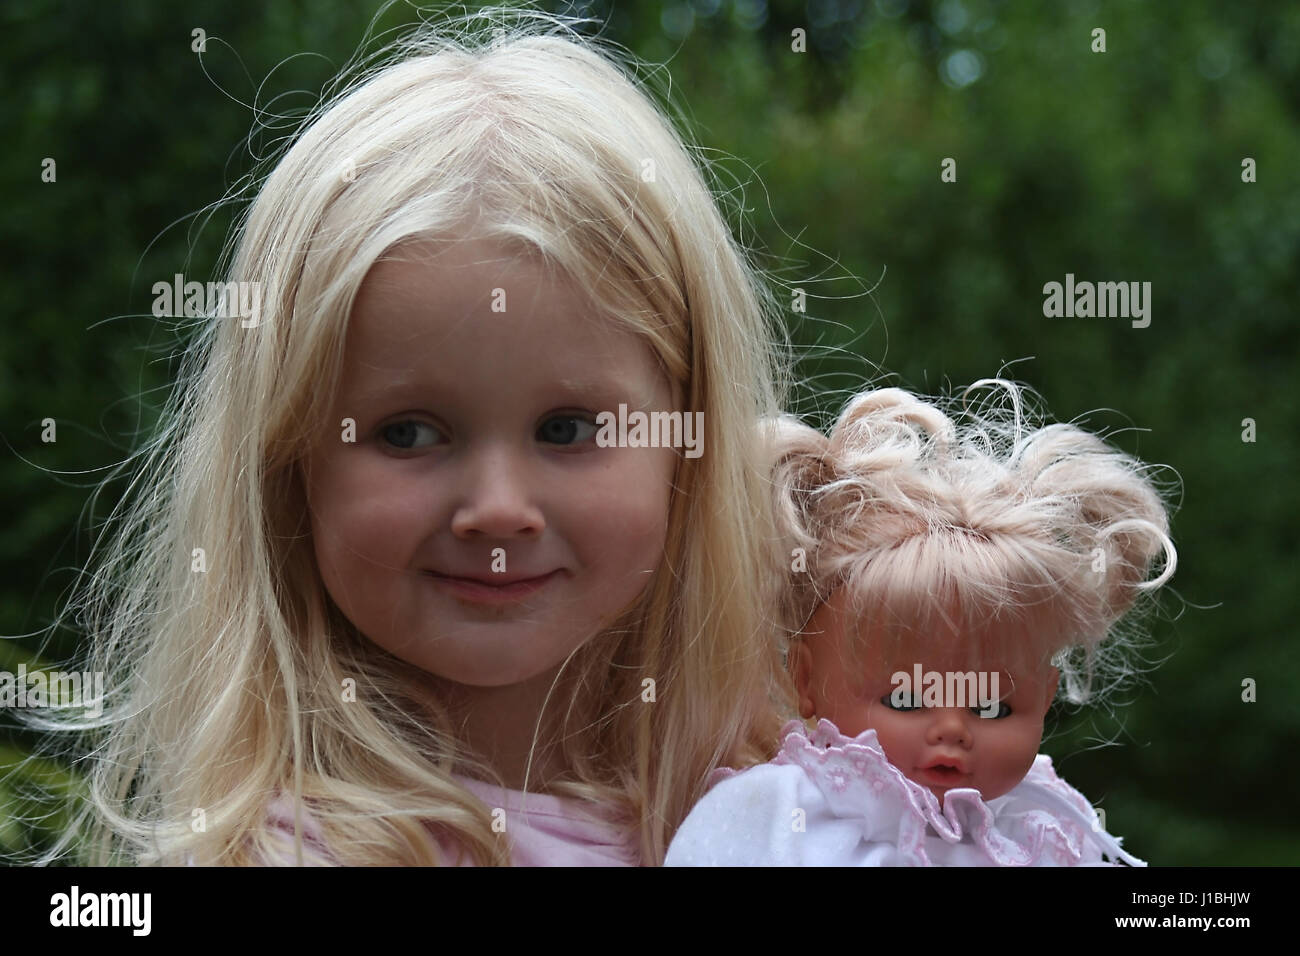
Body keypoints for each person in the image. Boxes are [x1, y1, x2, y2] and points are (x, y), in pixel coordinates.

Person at [29, 10, 795, 866]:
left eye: (567, 428)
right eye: (409, 432)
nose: (498, 510)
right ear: (289, 463)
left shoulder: (812, 800)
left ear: (690, 442)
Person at [666, 382, 1176, 866]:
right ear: (805, 681)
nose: (952, 727)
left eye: (993, 707)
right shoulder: (773, 815)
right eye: (906, 698)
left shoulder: (1040, 829)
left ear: (1045, 697)